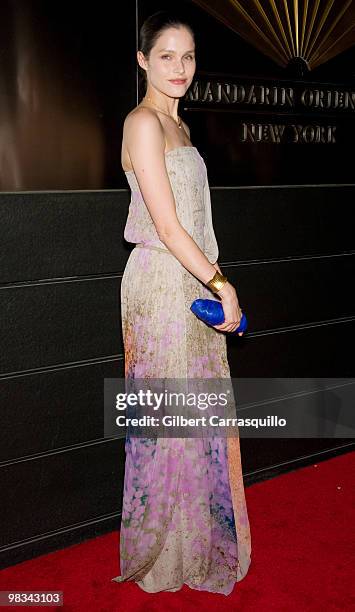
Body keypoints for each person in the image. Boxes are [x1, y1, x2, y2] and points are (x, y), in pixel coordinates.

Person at [111, 10, 251, 596]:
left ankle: (194, 545)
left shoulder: (182, 129)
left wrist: (209, 283)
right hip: (161, 288)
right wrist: (223, 285)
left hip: (189, 283)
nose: (179, 68)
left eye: (188, 57)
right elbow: (167, 227)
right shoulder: (143, 123)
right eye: (166, 55)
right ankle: (163, 557)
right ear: (142, 60)